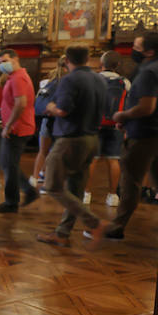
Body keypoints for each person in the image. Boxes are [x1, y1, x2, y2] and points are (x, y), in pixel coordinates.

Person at [101, 31, 158, 240]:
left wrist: (122, 115)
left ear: (149, 51)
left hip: (145, 134)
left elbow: (146, 107)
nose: (133, 50)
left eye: (137, 46)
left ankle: (117, 225)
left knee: (130, 180)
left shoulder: (149, 71)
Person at [34, 46, 106, 246]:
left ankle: (94, 222)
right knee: (75, 190)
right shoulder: (99, 79)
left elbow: (63, 110)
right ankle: (62, 233)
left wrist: (49, 107)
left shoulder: (70, 79)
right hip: (92, 138)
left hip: (70, 139)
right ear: (88, 58)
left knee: (52, 185)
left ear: (66, 60)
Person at [0, 49, 39, 212]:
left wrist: (9, 125)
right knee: (9, 163)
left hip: (17, 128)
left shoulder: (18, 78)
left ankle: (14, 200)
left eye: (4, 61)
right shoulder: (15, 77)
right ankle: (25, 193)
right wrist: (0, 110)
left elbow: (21, 104)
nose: (1, 65)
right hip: (17, 126)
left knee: (8, 164)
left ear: (15, 59)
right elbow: (13, 102)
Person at [95, 51, 130, 207]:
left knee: (92, 160)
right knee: (113, 160)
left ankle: (86, 194)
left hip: (95, 124)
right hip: (116, 124)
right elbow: (130, 104)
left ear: (101, 64)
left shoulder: (94, 79)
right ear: (117, 65)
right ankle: (112, 195)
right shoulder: (125, 82)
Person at [32, 62, 66, 188]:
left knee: (42, 151)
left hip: (46, 120)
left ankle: (35, 178)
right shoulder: (67, 83)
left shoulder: (47, 82)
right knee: (55, 154)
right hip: (60, 122)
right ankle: (48, 183)